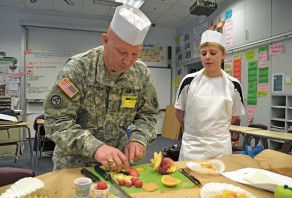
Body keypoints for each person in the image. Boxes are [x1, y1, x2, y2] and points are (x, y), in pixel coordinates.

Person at [43, 5, 159, 172]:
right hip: (75, 166)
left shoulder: (140, 73)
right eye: (122, 52)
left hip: (116, 165)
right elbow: (56, 121)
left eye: (135, 54)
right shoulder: (79, 69)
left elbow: (147, 114)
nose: (128, 61)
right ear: (105, 40)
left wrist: (139, 139)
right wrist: (95, 147)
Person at [174, 30, 245, 161]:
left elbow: (235, 116)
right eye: (203, 53)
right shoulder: (188, 81)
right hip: (192, 146)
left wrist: (215, 134)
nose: (207, 57)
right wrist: (193, 131)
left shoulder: (234, 85)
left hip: (220, 148)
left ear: (223, 54)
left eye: (213, 53)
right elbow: (179, 112)